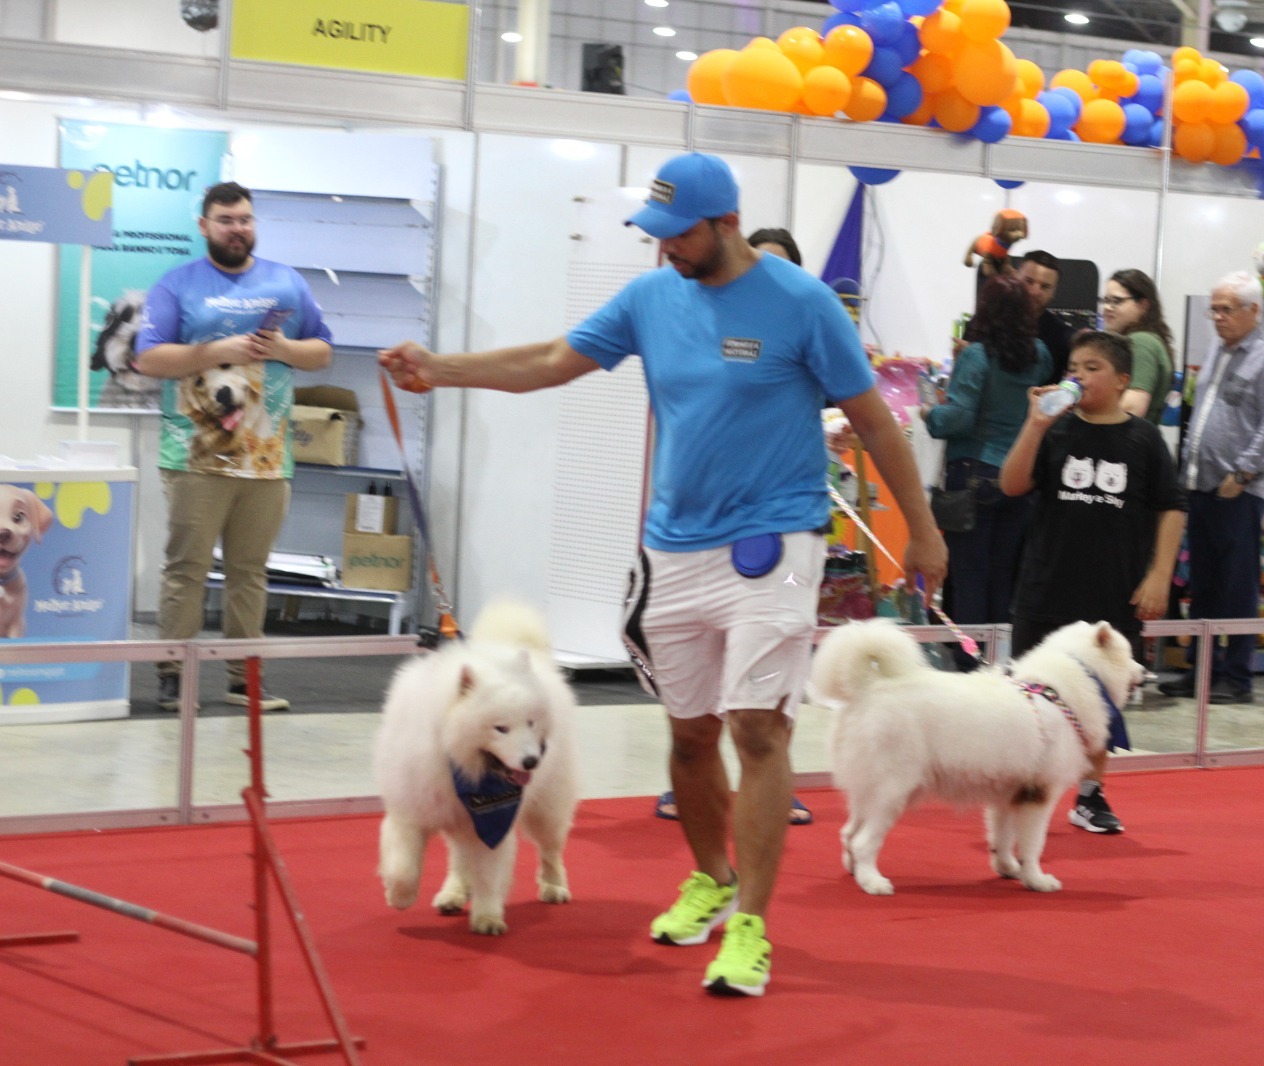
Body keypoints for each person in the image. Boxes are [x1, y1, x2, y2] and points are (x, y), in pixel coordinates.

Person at [377, 152, 946, 998]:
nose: (661, 250)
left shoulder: (802, 303)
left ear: (724, 225)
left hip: (776, 543)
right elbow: (551, 361)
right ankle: (712, 878)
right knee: (688, 735)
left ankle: (750, 924)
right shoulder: (652, 296)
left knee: (758, 732)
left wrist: (925, 531)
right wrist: (440, 369)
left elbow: (874, 420)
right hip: (673, 547)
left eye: (674, 235)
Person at [134, 181, 333, 713]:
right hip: (194, 457)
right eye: (225, 219)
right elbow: (147, 359)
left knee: (250, 572)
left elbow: (322, 353)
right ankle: (173, 676)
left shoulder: (285, 283)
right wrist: (214, 350)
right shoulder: (176, 285)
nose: (237, 228)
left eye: (244, 218)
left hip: (268, 459)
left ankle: (245, 680)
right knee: (187, 569)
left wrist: (287, 348)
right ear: (204, 226)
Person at [654, 223, 814, 828]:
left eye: (776, 267)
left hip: (780, 541)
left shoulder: (804, 312)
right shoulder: (678, 311)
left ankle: (769, 775)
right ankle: (708, 806)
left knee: (760, 714)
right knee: (696, 717)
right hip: (687, 543)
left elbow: (859, 409)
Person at [999, 330, 1185, 834]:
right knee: (1029, 696)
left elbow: (1171, 507)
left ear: (1123, 380)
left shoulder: (1144, 440)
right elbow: (1012, 484)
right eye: (1073, 366)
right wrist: (1035, 425)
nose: (1078, 375)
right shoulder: (1056, 431)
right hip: (1045, 586)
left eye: (1092, 367)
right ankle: (1023, 787)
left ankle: (1090, 794)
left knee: (1099, 702)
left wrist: (1159, 576)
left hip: (1111, 595)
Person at [1157, 271, 1264, 705]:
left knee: (1236, 588)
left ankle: (1237, 678)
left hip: (1237, 491)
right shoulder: (1218, 347)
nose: (1217, 317)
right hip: (1199, 485)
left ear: (1254, 311)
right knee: (1203, 586)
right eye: (1213, 309)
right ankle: (1200, 671)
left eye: (1226, 309)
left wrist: (1243, 474)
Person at [923, 275, 1055, 669]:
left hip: (973, 475)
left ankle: (970, 666)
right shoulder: (1041, 354)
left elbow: (958, 418)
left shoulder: (976, 356)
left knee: (969, 577)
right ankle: (999, 665)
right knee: (1004, 576)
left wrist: (930, 413)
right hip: (1019, 478)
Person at [961, 250, 1073, 383]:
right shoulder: (984, 322)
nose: (1035, 292)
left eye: (1045, 287)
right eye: (1029, 281)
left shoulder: (1063, 338)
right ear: (1015, 278)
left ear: (1053, 292)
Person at [1098, 268, 1175, 424]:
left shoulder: (1141, 342)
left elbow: (1132, 408)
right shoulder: (1145, 339)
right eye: (1105, 300)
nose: (1107, 308)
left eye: (1116, 301)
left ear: (1143, 305)